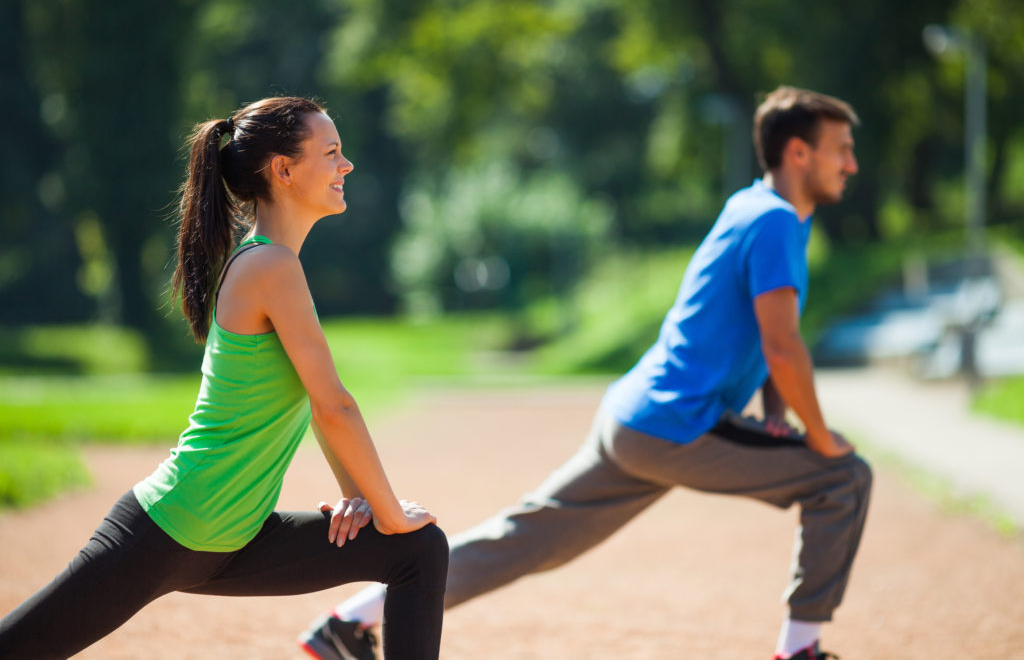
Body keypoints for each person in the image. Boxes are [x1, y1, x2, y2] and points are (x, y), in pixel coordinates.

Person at [301, 86, 871, 660]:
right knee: (843, 478)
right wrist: (820, 439)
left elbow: (771, 329)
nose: (851, 163)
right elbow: (784, 345)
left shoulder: (759, 208)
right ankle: (800, 649)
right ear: (798, 152)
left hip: (637, 417)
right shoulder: (775, 222)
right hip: (678, 423)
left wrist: (775, 417)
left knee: (525, 540)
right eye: (840, 149)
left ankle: (347, 623)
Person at [0, 97, 448, 660]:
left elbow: (318, 407)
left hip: (236, 538)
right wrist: (387, 511)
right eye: (331, 152)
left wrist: (358, 499)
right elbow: (336, 406)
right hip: (173, 526)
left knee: (417, 552)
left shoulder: (275, 263)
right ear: (282, 170)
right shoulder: (269, 266)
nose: (346, 165)